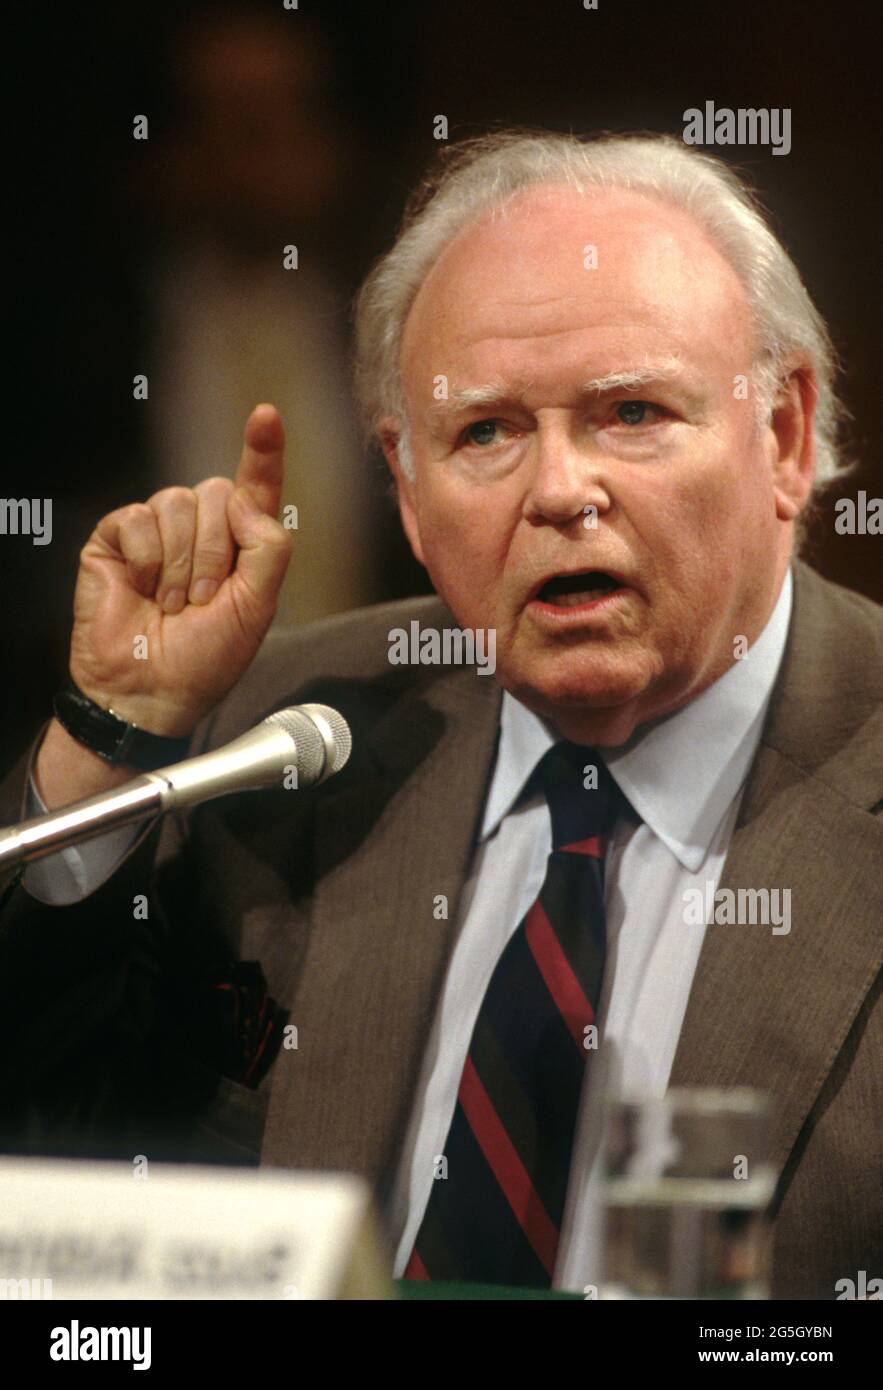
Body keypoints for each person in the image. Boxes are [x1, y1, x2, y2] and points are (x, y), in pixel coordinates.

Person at [1, 132, 880, 1299]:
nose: (560, 490)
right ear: (406, 490)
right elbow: (46, 1115)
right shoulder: (286, 728)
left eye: (630, 411)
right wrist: (117, 734)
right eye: (485, 433)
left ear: (781, 436)